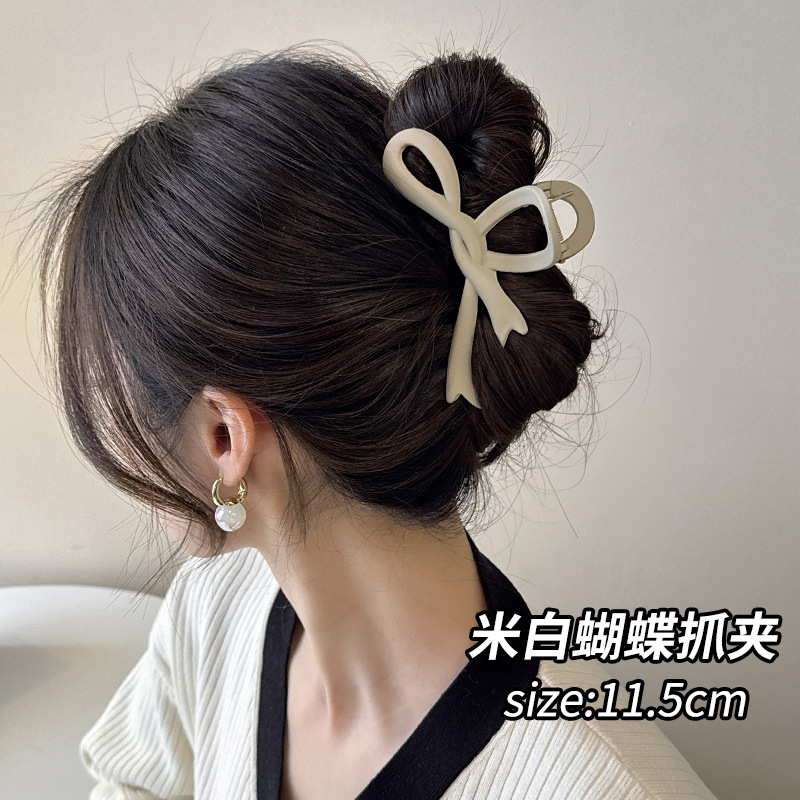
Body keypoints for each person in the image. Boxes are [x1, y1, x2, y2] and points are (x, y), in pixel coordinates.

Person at [33, 42, 718, 799]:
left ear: (224, 437)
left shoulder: (598, 785)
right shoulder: (214, 611)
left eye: (122, 387)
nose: (120, 432)